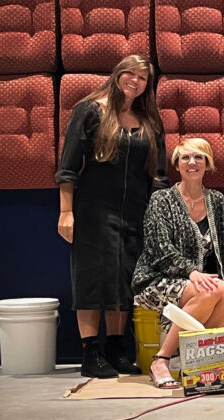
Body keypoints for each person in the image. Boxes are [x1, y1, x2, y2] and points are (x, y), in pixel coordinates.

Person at [56, 54, 169, 378]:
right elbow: (68, 167)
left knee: (125, 280)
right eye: (130, 74)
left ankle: (116, 348)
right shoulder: (90, 110)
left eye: (143, 78)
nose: (135, 81)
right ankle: (90, 352)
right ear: (117, 74)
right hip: (94, 211)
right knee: (92, 280)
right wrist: (66, 212)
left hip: (137, 212)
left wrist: (157, 216)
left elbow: (158, 175)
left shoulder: (149, 120)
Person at [132, 138, 224, 389]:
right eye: (185, 158)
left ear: (207, 163)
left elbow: (219, 252)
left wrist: (216, 282)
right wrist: (192, 272)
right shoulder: (161, 199)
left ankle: (201, 363)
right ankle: (162, 360)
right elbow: (159, 248)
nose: (192, 162)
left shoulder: (217, 200)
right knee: (207, 292)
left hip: (195, 281)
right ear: (176, 164)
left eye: (199, 157)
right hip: (155, 279)